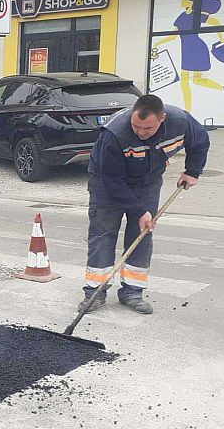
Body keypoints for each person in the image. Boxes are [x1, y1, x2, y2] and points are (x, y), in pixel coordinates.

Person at [80, 94, 210, 315]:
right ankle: (94, 293)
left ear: (162, 118)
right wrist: (140, 211)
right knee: (103, 235)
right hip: (107, 183)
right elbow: (112, 180)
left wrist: (192, 171)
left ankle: (132, 292)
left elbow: (200, 142)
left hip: (148, 182)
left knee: (141, 235)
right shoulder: (114, 133)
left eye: (147, 128)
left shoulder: (181, 122)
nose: (140, 132)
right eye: (136, 126)